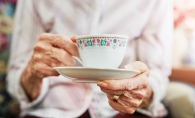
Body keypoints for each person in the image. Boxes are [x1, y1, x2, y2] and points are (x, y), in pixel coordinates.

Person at [6, 0, 194, 118]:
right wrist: (32, 72)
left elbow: (156, 74)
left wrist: (141, 92)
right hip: (51, 110)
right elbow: (15, 76)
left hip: (122, 112)